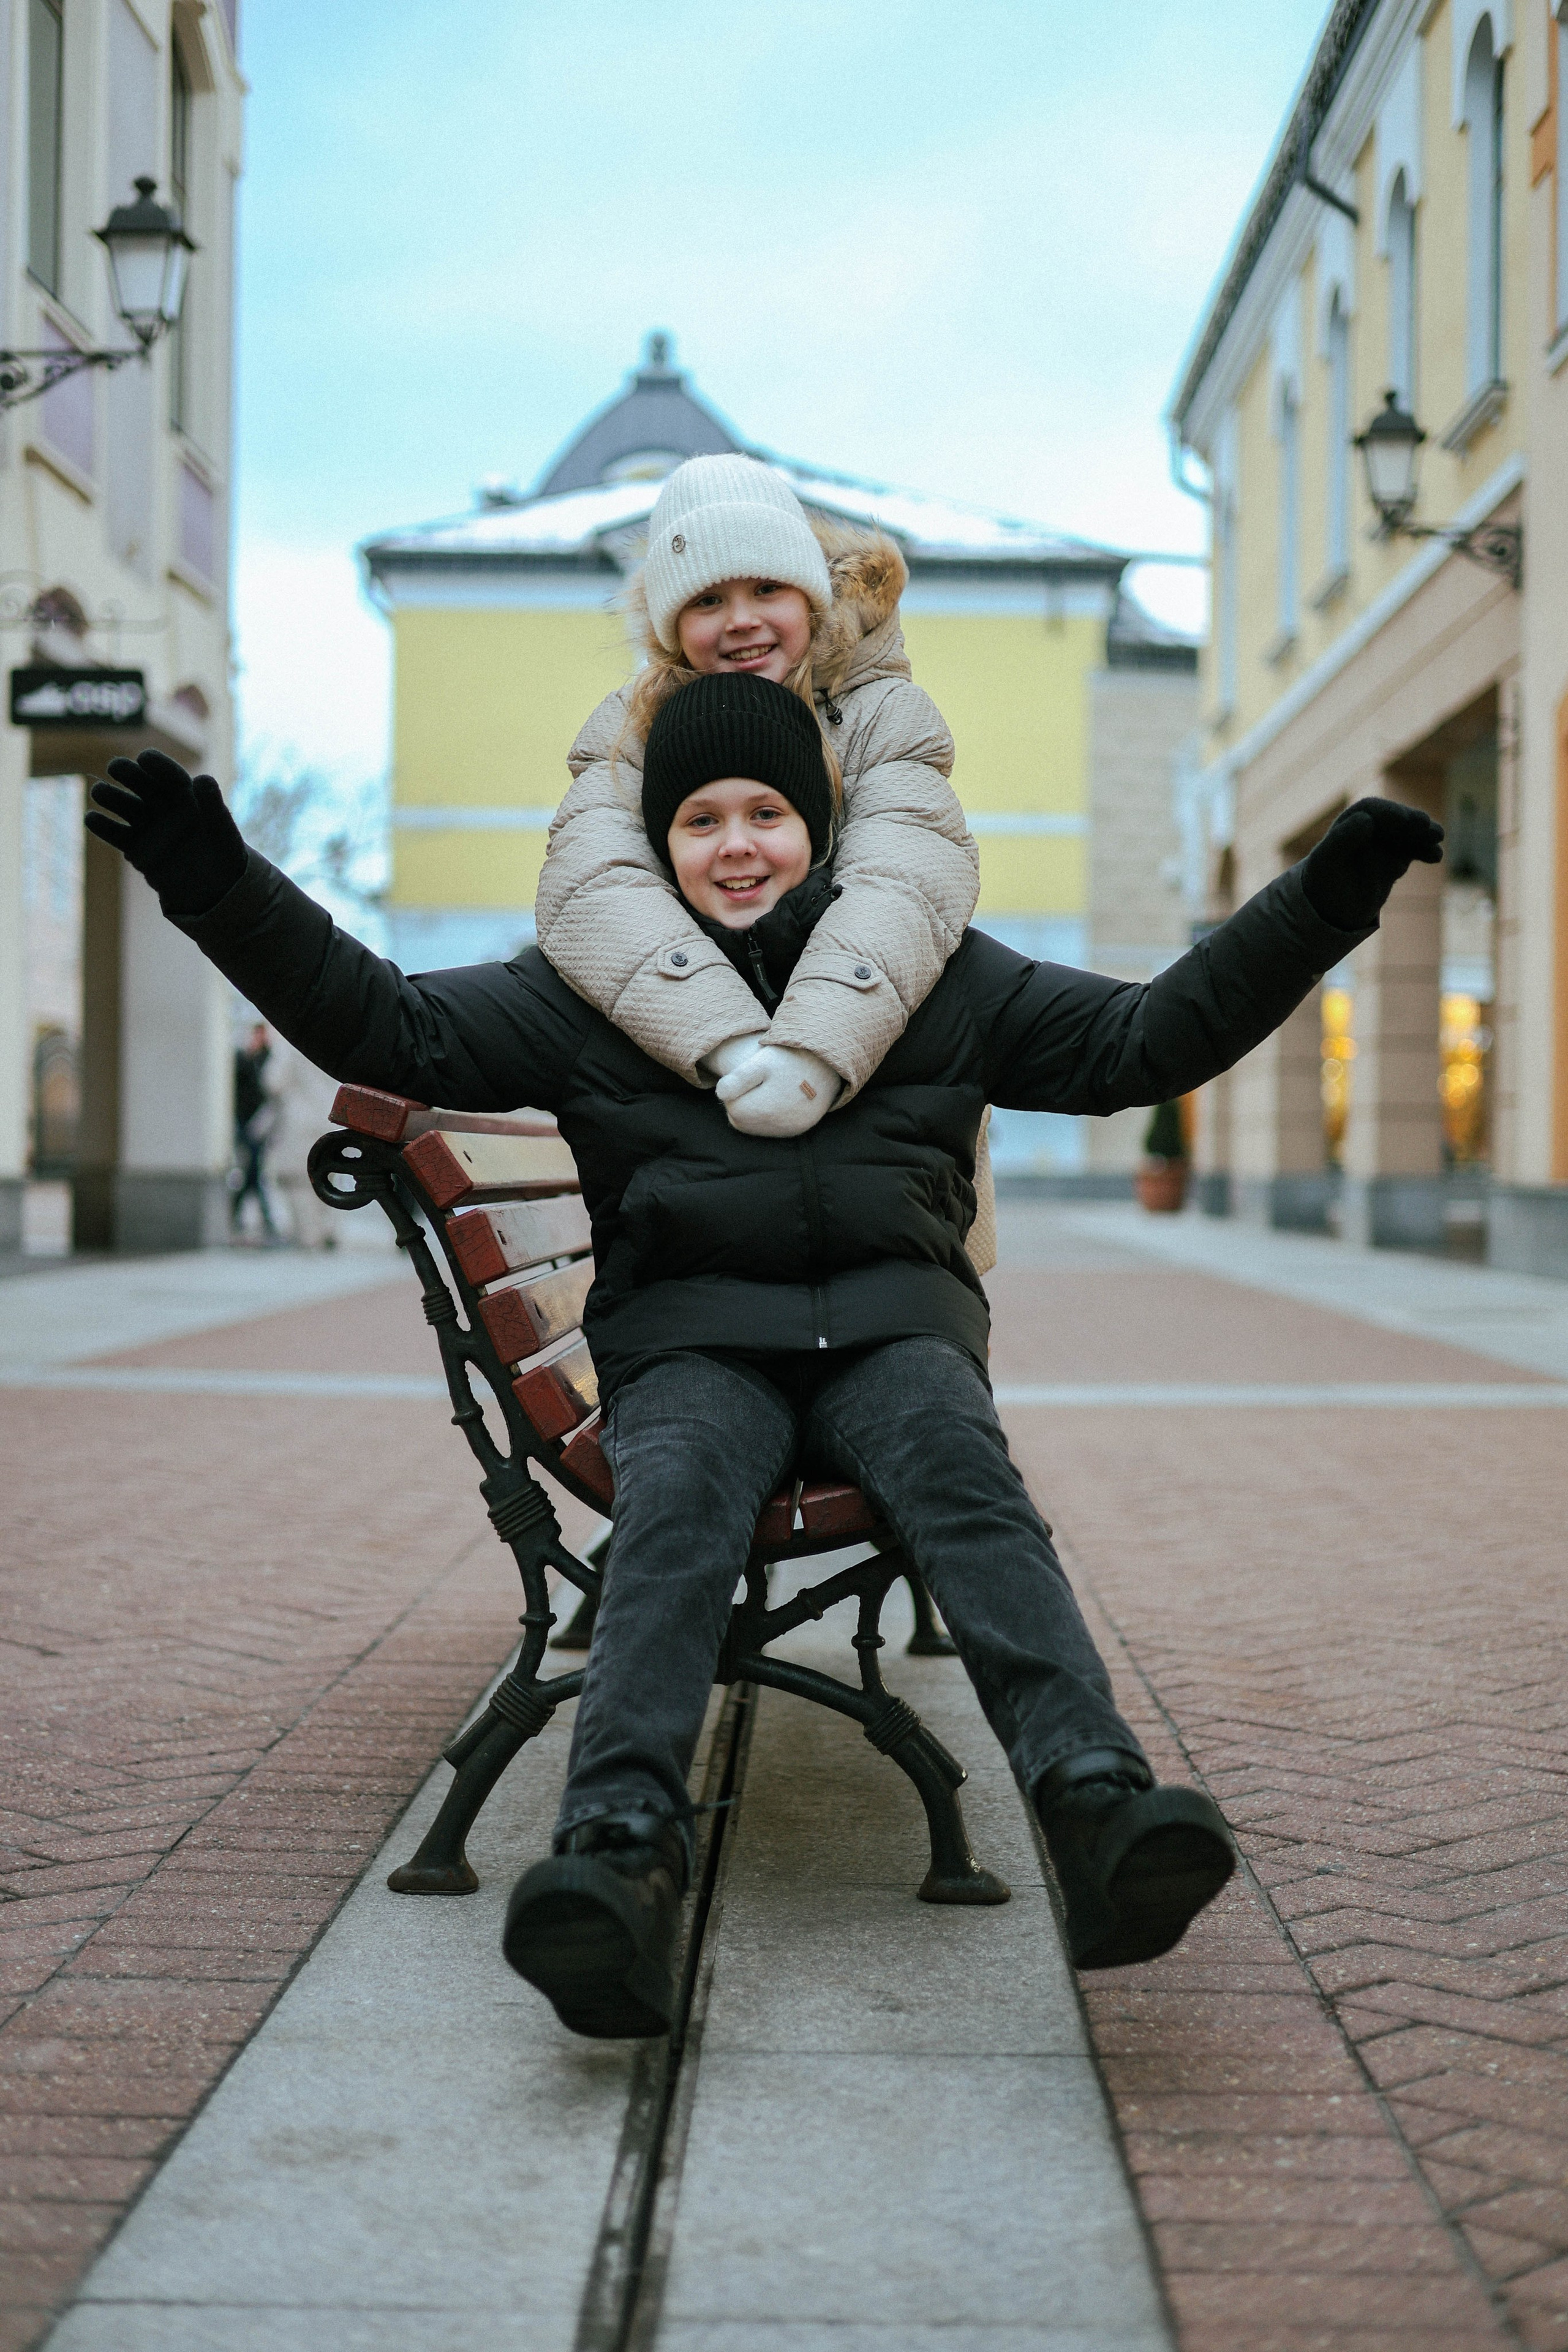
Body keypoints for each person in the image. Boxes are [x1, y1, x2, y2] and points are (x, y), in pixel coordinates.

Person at [83, 704, 1442, 2041]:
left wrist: (1322, 897)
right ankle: (615, 1857)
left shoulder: (929, 973)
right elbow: (391, 1029)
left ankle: (1093, 1808)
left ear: (819, 829)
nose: (737, 847)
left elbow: (1144, 1044)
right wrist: (218, 882)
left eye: (765, 814)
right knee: (674, 1513)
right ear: (661, 844)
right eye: (699, 820)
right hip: (690, 1350)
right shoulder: (597, 989)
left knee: (962, 1480)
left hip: (892, 1336)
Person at [535, 454, 1000, 1262]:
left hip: (884, 1124)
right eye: (708, 599)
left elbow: (906, 873)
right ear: (671, 623)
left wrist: (816, 1048)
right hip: (715, 1127)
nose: (740, 619)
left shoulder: (883, 713)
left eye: (766, 590)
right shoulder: (631, 733)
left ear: (811, 600)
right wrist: (730, 1040)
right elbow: (594, 884)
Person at [230, 1022, 278, 1241]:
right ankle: (266, 1220)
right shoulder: (243, 1058)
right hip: (243, 1121)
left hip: (261, 1124)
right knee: (253, 1170)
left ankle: (236, 1210)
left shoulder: (268, 1060)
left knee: (253, 1170)